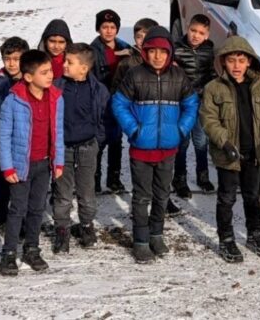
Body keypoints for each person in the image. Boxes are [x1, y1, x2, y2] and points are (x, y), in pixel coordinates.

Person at [111, 26, 198, 263]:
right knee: (142, 197)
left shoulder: (178, 76)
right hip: (141, 149)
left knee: (162, 194)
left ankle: (156, 234)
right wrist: (134, 129)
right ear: (145, 51)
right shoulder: (135, 75)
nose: (157, 56)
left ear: (170, 52)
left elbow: (191, 104)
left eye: (162, 51)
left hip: (168, 149)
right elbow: (118, 103)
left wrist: (180, 129)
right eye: (152, 51)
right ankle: (140, 240)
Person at [200, 36, 260, 263]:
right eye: (231, 60)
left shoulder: (259, 87)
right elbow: (209, 119)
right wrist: (225, 143)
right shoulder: (213, 88)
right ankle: (226, 239)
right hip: (229, 154)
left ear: (249, 62)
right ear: (223, 61)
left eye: (241, 61)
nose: (236, 66)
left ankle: (254, 234)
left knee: (252, 196)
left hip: (253, 153)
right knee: (227, 198)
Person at [0, 49, 65, 276]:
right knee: (17, 209)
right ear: (28, 76)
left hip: (44, 164)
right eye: (44, 72)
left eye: (50, 71)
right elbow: (3, 136)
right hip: (20, 167)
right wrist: (7, 167)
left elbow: (58, 132)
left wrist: (58, 161)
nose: (50, 76)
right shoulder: (13, 101)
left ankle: (31, 249)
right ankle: (8, 253)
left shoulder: (56, 97)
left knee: (37, 208)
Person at [51, 43, 108, 253]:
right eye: (65, 61)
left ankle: (86, 225)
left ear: (84, 68)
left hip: (87, 148)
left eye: (70, 62)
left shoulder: (98, 91)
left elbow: (103, 119)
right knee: (62, 194)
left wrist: (97, 142)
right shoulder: (56, 87)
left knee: (87, 192)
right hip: (62, 149)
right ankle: (62, 229)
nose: (64, 65)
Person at [97, 16, 156, 196]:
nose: (143, 40)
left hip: (152, 115)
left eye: (147, 36)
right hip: (128, 113)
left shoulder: (161, 60)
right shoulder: (127, 62)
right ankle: (104, 178)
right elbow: (117, 89)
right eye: (139, 37)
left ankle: (154, 190)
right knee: (112, 141)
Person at [0, 36, 30, 227]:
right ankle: (2, 217)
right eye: (7, 59)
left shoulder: (30, 79)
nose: (11, 64)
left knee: (24, 180)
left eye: (16, 59)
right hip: (2, 141)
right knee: (4, 181)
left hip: (25, 140)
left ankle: (23, 218)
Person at [172, 13, 217, 197]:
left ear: (206, 35)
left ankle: (202, 176)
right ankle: (179, 178)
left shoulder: (209, 50)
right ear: (187, 28)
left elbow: (211, 73)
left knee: (201, 141)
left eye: (201, 33)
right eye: (193, 30)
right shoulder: (177, 48)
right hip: (183, 102)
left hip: (201, 101)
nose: (196, 35)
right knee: (182, 142)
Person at [38, 18, 72, 84]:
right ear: (45, 42)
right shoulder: (36, 61)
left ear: (67, 43)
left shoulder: (73, 63)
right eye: (52, 41)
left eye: (61, 42)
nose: (56, 46)